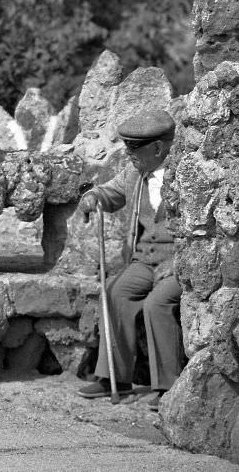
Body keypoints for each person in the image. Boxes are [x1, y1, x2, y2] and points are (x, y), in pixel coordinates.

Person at [75, 109, 184, 411]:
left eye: (135, 147)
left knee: (156, 304)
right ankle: (114, 378)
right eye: (127, 146)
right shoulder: (135, 172)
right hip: (144, 260)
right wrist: (93, 198)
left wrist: (177, 263)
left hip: (179, 263)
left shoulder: (186, 174)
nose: (129, 153)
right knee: (114, 292)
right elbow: (110, 192)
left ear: (159, 148)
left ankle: (168, 386)